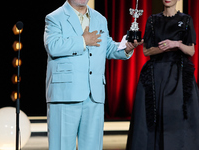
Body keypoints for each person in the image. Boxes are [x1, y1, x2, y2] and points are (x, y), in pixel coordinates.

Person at [44, 0, 143, 150]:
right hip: (66, 95)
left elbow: (108, 48)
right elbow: (53, 46)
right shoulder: (55, 17)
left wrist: (126, 48)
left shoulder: (99, 19)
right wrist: (83, 40)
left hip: (94, 95)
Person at [126, 0, 199, 150]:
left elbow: (191, 51)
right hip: (155, 74)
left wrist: (177, 44)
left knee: (177, 117)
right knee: (151, 118)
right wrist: (167, 47)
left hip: (178, 75)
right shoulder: (152, 20)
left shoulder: (186, 19)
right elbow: (146, 51)